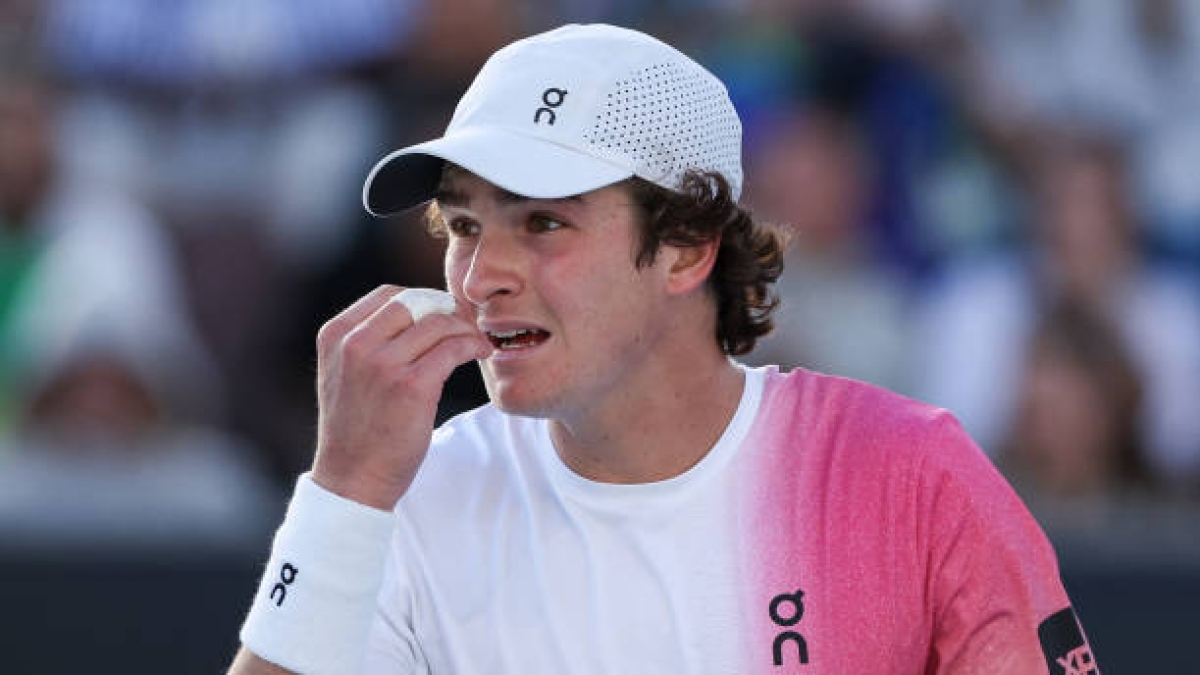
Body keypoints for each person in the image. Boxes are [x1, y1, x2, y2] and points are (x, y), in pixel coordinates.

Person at [229, 24, 1097, 674]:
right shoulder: (406, 496)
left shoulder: (910, 473)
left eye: (542, 222)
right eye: (463, 224)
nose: (480, 275)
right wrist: (340, 495)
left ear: (687, 245)